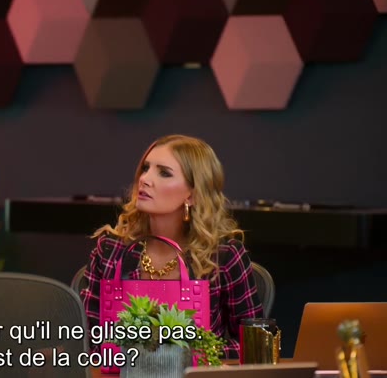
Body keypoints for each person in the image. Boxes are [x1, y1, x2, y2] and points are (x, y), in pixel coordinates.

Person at [80, 134, 263, 360]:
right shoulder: (111, 250)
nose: (145, 179)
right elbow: (87, 342)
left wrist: (189, 353)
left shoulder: (223, 255)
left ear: (192, 195)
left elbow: (253, 346)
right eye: (145, 168)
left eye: (164, 173)